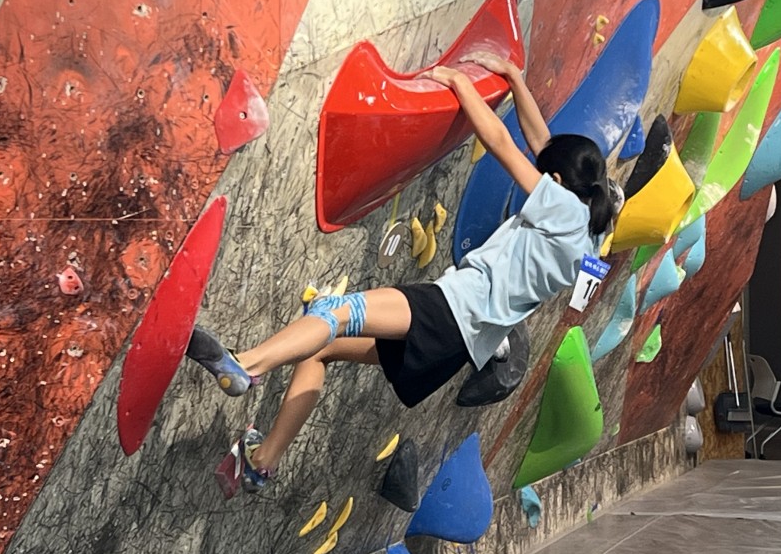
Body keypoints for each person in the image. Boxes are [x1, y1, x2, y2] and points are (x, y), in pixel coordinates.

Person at [185, 52, 616, 497]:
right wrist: (514, 78)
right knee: (319, 349)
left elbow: (504, 145)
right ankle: (261, 464)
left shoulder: (562, 209)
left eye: (546, 176)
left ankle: (245, 366)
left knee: (335, 311)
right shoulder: (586, 232)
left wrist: (458, 82)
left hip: (452, 310)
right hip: (460, 345)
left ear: (558, 181)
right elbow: (542, 143)